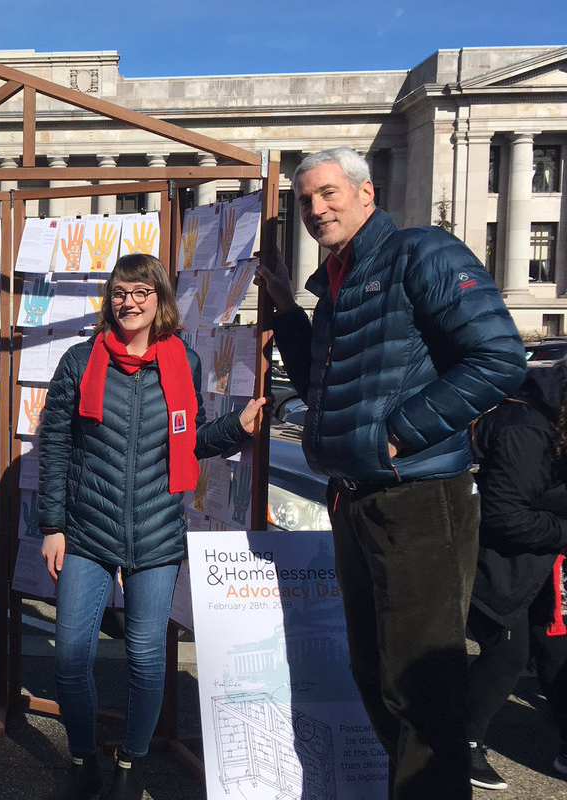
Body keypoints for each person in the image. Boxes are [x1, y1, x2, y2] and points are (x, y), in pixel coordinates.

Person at [255, 147, 527, 799]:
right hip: (357, 497)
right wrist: (288, 310)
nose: (316, 208)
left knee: (422, 690)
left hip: (419, 496)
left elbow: (499, 357)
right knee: (375, 676)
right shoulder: (337, 283)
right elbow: (323, 383)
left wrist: (399, 434)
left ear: (366, 192)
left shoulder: (422, 254)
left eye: (328, 192)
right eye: (305, 199)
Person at [38, 252, 267, 800]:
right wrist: (52, 526)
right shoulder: (80, 361)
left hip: (157, 532)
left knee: (145, 658)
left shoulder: (183, 361)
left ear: (159, 299)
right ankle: (83, 760)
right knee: (69, 658)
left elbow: (190, 440)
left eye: (141, 292)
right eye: (120, 292)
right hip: (86, 530)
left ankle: (130, 766)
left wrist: (237, 427)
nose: (130, 302)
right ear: (110, 299)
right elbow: (55, 445)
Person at [466, 359, 567, 791]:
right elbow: (506, 516)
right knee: (506, 655)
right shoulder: (524, 428)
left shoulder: (549, 419)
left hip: (540, 562)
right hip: (499, 563)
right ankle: (462, 739)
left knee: (556, 650)